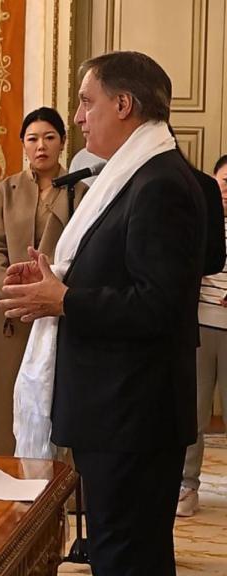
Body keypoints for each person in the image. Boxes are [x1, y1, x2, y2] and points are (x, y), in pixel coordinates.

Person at [0, 51, 209, 573]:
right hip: (117, 412)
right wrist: (57, 281)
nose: (78, 117)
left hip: (133, 415)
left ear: (124, 104)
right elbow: (120, 275)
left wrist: (64, 299)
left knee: (126, 557)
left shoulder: (159, 184)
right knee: (120, 552)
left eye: (87, 102)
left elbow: (158, 304)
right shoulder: (133, 176)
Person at [0, 107, 83, 456]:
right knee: (5, 393)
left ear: (63, 142)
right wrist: (7, 288)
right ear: (23, 145)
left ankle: (56, 483)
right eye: (33, 139)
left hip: (56, 307)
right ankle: (0, 467)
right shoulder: (7, 189)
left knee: (54, 393)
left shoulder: (78, 191)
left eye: (49, 137)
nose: (41, 146)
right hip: (11, 307)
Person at [179, 153, 227, 516]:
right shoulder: (198, 217)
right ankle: (187, 485)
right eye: (225, 183)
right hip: (198, 323)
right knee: (192, 411)